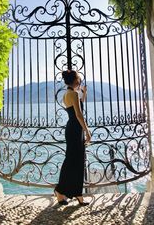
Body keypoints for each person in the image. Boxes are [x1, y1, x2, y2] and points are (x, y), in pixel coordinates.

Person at [54, 70, 91, 206]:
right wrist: (87, 131)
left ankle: (74, 194)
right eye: (79, 79)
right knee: (74, 161)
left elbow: (79, 104)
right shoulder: (73, 94)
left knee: (73, 161)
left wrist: (84, 93)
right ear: (75, 80)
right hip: (76, 130)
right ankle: (62, 191)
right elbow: (79, 115)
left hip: (72, 130)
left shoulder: (67, 94)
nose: (80, 80)